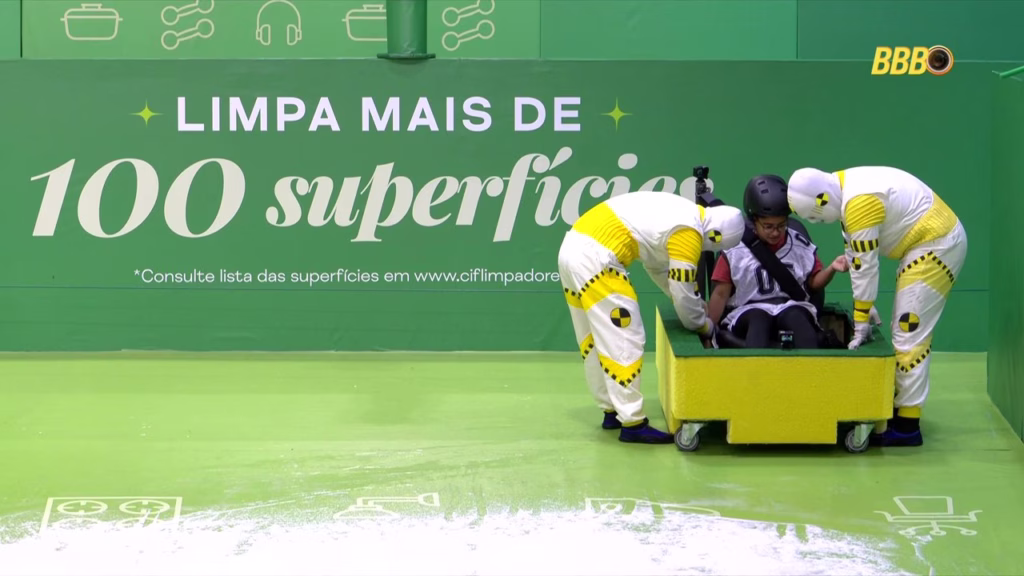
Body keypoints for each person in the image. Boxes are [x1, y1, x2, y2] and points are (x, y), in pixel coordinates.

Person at [787, 166, 968, 447]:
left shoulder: (859, 202)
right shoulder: (846, 190)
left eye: (814, 215)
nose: (817, 222)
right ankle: (901, 410)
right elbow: (857, 256)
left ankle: (907, 426)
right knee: (906, 330)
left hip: (937, 247)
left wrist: (861, 317)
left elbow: (865, 264)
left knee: (909, 334)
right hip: (928, 244)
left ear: (823, 199)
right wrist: (865, 306)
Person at [557, 191, 745, 444]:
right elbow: (681, 290)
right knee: (625, 338)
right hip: (597, 262)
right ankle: (633, 423)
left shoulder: (682, 212)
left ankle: (611, 410)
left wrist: (696, 306)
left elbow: (661, 270)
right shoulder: (688, 232)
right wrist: (703, 324)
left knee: (593, 339)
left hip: (572, 250)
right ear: (716, 236)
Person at [708, 174, 848, 348]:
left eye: (781, 225)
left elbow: (814, 284)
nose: (775, 232)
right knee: (758, 321)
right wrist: (708, 331)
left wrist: (832, 268)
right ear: (754, 221)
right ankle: (755, 365)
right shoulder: (734, 250)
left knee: (797, 319)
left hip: (791, 306)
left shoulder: (800, 245)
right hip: (747, 310)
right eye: (768, 226)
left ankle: (811, 364)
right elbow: (720, 294)